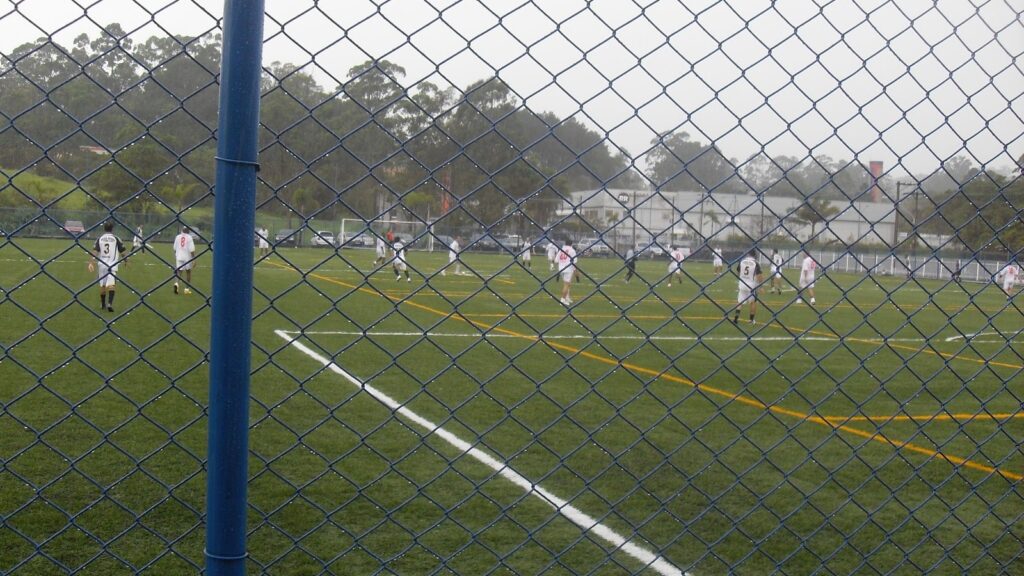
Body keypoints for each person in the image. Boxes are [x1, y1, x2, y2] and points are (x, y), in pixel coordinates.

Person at [87, 221, 126, 312]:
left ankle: (103, 304)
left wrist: (91, 262)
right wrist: (126, 260)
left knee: (103, 284)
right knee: (111, 284)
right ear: (112, 229)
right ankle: (110, 304)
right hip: (112, 265)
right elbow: (123, 252)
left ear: (104, 228)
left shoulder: (100, 238)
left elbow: (95, 252)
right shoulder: (116, 238)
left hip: (101, 264)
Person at [732, 248, 763, 325]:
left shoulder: (742, 261)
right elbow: (759, 276)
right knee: (752, 302)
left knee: (740, 301)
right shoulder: (756, 263)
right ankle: (751, 320)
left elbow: (738, 272)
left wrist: (742, 278)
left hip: (742, 283)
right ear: (755, 255)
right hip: (752, 285)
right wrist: (761, 286)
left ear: (748, 254)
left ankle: (736, 318)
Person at [173, 226, 195, 295]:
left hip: (179, 256)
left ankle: (176, 284)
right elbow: (191, 249)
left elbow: (174, 248)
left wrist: (176, 254)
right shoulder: (189, 237)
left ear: (182, 230)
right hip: (187, 257)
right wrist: (194, 259)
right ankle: (186, 289)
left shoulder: (178, 237)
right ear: (188, 231)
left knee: (179, 272)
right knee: (188, 272)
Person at [557, 239, 578, 306]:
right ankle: (562, 300)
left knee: (567, 284)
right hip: (568, 269)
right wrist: (575, 271)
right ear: (571, 244)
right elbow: (574, 261)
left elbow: (556, 260)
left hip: (561, 268)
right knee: (566, 284)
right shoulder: (572, 250)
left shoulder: (561, 249)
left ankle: (567, 297)